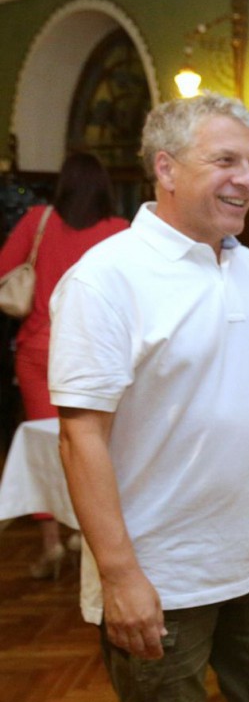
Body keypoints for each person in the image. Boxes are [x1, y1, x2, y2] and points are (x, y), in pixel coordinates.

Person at [50, 94, 249, 702]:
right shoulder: (105, 279)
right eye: (225, 161)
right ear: (165, 168)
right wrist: (119, 576)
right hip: (161, 572)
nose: (248, 179)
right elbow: (80, 437)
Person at [0, 152, 128, 579]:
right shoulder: (120, 230)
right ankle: (84, 535)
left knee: (48, 447)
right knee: (92, 445)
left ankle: (52, 544)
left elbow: (4, 269)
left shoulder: (37, 220)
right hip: (96, 353)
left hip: (39, 350)